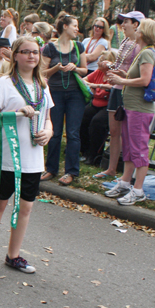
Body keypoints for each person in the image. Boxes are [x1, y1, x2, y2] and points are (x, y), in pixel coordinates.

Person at [0, 36, 54, 275]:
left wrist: (49, 133)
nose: (31, 56)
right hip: (7, 157)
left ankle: (14, 255)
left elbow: (48, 119)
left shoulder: (42, 85)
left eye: (35, 52)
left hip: (33, 159)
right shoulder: (3, 84)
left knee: (25, 208)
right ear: (16, 55)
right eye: (26, 52)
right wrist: (17, 113)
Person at [104, 19, 155, 205]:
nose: (135, 31)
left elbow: (145, 80)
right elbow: (137, 77)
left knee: (138, 149)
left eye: (139, 29)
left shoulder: (147, 54)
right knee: (128, 147)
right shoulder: (143, 53)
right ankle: (125, 182)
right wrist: (123, 75)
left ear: (143, 33)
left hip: (140, 109)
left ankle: (138, 190)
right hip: (131, 107)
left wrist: (125, 81)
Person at [93, 11, 143, 179]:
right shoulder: (125, 40)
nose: (122, 24)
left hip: (129, 92)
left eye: (126, 21)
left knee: (127, 132)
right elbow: (120, 64)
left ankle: (128, 173)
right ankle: (111, 169)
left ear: (136, 24)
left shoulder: (141, 44)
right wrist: (109, 65)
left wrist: (122, 73)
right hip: (115, 89)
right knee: (114, 131)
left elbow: (139, 73)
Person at [41, 14, 87, 186]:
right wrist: (56, 68)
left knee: (73, 133)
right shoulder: (50, 48)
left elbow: (85, 70)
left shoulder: (78, 46)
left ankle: (71, 171)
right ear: (65, 27)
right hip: (55, 93)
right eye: (74, 25)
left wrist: (75, 68)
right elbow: (42, 72)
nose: (77, 29)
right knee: (55, 132)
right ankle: (51, 168)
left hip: (75, 94)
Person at [80, 49, 116, 165]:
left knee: (97, 123)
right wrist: (91, 88)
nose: (99, 63)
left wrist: (96, 85)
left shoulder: (113, 74)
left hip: (107, 105)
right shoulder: (98, 72)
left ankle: (94, 154)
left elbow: (113, 86)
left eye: (102, 61)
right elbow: (84, 80)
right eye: (99, 60)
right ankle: (84, 150)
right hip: (95, 102)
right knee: (82, 118)